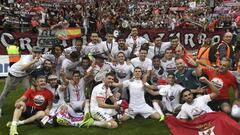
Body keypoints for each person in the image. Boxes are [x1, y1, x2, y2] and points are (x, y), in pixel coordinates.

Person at [0, 46, 44, 117]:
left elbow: (30, 70)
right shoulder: (27, 58)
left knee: (28, 91)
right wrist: (33, 61)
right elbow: (23, 68)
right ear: (32, 53)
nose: (37, 54)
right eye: (35, 53)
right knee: (6, 92)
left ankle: (26, 108)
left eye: (39, 53)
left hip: (24, 76)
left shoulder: (41, 60)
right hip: (14, 74)